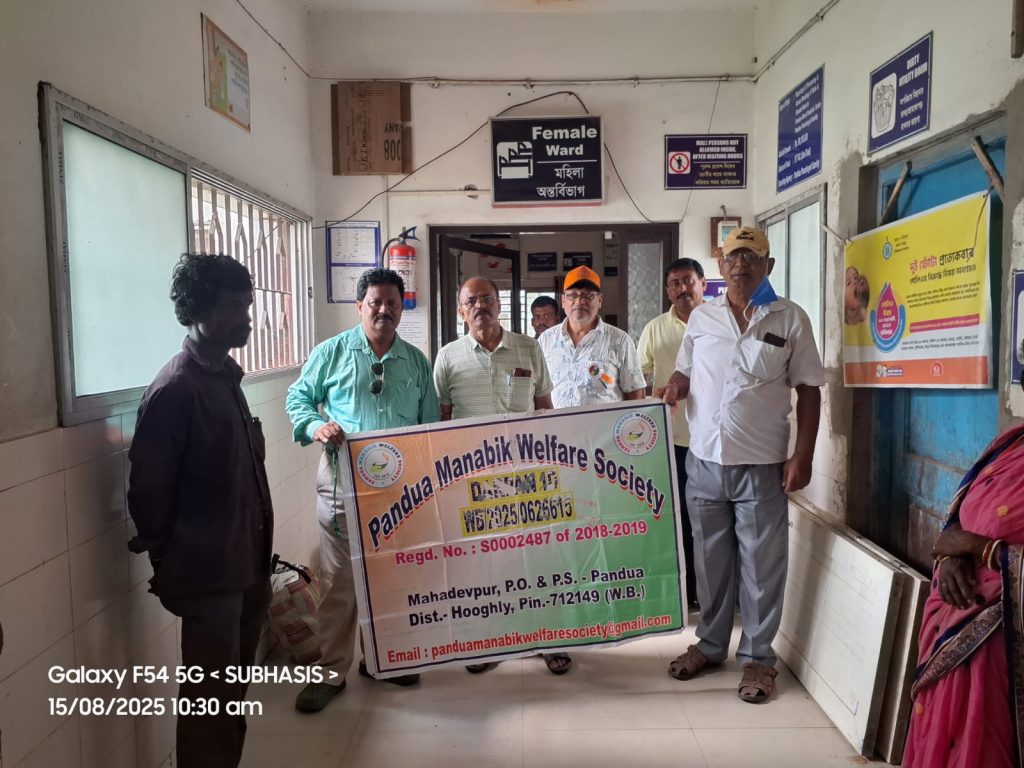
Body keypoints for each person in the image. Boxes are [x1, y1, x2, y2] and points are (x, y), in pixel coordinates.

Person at [661, 226, 824, 704]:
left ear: (767, 265)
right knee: (709, 563)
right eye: (733, 257)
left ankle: (758, 658)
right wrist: (675, 386)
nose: (741, 265)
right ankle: (710, 646)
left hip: (762, 464)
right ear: (720, 265)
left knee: (761, 567)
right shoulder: (703, 317)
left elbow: (809, 390)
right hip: (704, 460)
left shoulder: (790, 318)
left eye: (751, 257)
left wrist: (803, 455)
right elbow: (685, 370)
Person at [127, 253, 272, 768]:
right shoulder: (176, 389)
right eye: (232, 307)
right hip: (208, 578)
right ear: (196, 311)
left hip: (246, 566)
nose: (245, 317)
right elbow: (148, 493)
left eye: (246, 305)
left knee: (230, 701)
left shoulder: (225, 377)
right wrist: (172, 565)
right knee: (210, 706)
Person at [285, 268, 440, 713]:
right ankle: (331, 672)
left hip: (398, 494)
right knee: (340, 583)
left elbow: (429, 425)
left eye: (393, 303)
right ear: (359, 306)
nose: (384, 310)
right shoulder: (331, 353)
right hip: (342, 487)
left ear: (401, 308)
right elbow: (298, 398)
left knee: (390, 580)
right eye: (375, 302)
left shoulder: (415, 361)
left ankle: (381, 661)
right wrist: (316, 425)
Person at [434, 276, 570, 675]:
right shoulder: (448, 357)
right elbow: (440, 420)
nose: (480, 306)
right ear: (461, 310)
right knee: (483, 565)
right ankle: (487, 642)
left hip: (526, 477)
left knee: (538, 558)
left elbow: (544, 408)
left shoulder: (529, 348)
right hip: (473, 482)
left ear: (500, 304)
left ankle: (550, 639)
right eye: (471, 301)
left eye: (487, 299)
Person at [903, 372, 1024, 767]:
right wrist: (953, 554)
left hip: (1006, 642)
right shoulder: (1010, 443)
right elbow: (962, 518)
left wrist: (980, 550)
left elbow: (979, 539)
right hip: (953, 615)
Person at [638, 258, 706, 609]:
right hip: (671, 441)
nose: (683, 289)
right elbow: (636, 379)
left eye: (688, 281)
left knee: (711, 521)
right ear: (668, 291)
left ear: (702, 284)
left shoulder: (719, 322)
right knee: (678, 518)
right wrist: (654, 394)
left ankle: (712, 590)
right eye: (675, 283)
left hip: (713, 443)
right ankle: (685, 590)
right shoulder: (654, 329)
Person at [538, 265, 645, 407]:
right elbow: (537, 391)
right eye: (572, 295)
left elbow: (636, 395)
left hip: (605, 422)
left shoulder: (620, 341)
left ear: (600, 300)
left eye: (588, 295)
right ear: (563, 300)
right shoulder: (546, 340)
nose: (579, 301)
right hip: (555, 422)